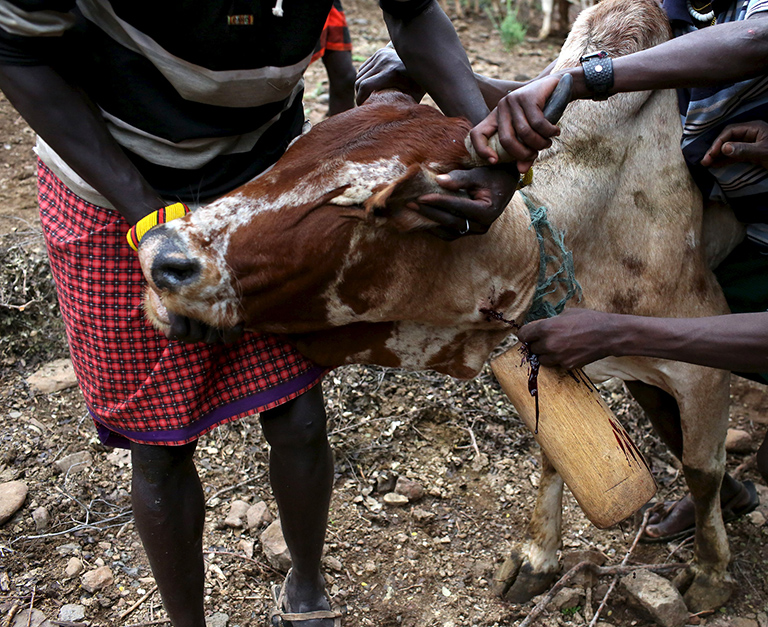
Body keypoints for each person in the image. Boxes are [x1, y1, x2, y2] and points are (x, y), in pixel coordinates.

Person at [0, 0, 517, 625]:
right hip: (110, 178)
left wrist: (489, 149)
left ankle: (307, 584)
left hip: (266, 179)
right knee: (160, 445)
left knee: (298, 415)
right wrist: (148, 216)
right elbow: (14, 46)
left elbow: (411, 13)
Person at [469, 0, 768, 626]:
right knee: (653, 363)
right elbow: (589, 103)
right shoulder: (682, 18)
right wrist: (491, 83)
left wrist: (614, 328)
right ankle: (719, 492)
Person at [310, 0, 357, 116]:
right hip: (286, 9)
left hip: (326, 5)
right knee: (284, 78)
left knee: (346, 77)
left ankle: (341, 131)